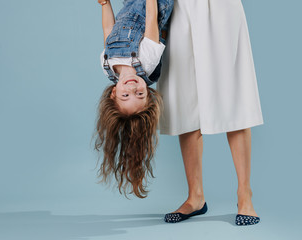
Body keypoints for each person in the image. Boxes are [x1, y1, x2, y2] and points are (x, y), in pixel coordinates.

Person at [159, 0, 263, 226]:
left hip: (220, 6)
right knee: (182, 98)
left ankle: (245, 195)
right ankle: (195, 196)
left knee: (232, 96)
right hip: (176, 6)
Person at [94, 0, 174, 198]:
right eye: (140, 93)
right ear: (147, 92)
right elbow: (151, 19)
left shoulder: (107, 65)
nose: (132, 87)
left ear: (113, 93)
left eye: (125, 95)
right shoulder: (146, 62)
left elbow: (108, 29)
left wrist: (105, 5)